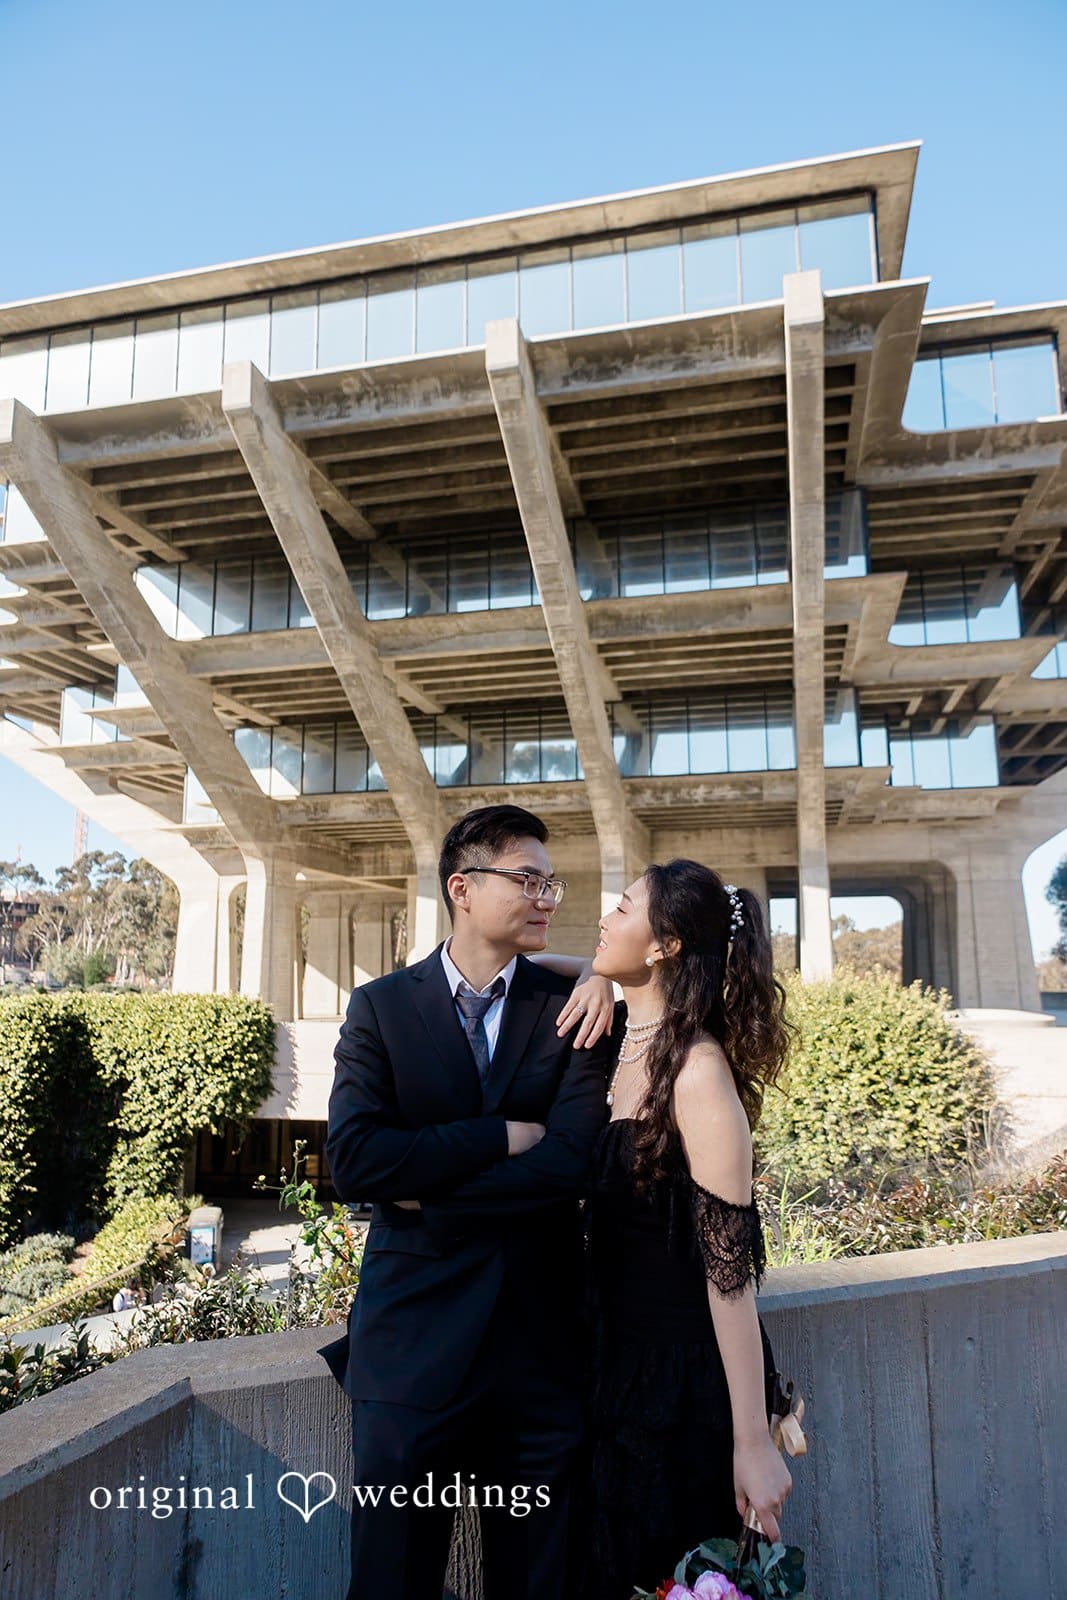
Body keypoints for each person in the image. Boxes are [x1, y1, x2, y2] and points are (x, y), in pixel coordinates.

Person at [319, 803, 614, 1600]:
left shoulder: (574, 1009)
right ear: (462, 887)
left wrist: (426, 1195)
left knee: (538, 1586)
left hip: (540, 1355)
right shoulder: (380, 1007)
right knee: (391, 1582)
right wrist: (498, 1135)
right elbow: (355, 1162)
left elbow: (570, 1164)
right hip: (410, 1352)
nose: (545, 897)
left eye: (550, 883)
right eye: (527, 880)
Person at [557, 860, 795, 1599]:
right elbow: (531, 962)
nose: (604, 918)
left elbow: (730, 1274)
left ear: (663, 945)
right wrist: (593, 974)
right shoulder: (622, 1039)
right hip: (607, 1366)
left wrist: (751, 1443)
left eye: (622, 908)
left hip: (677, 1389)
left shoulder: (697, 1072)